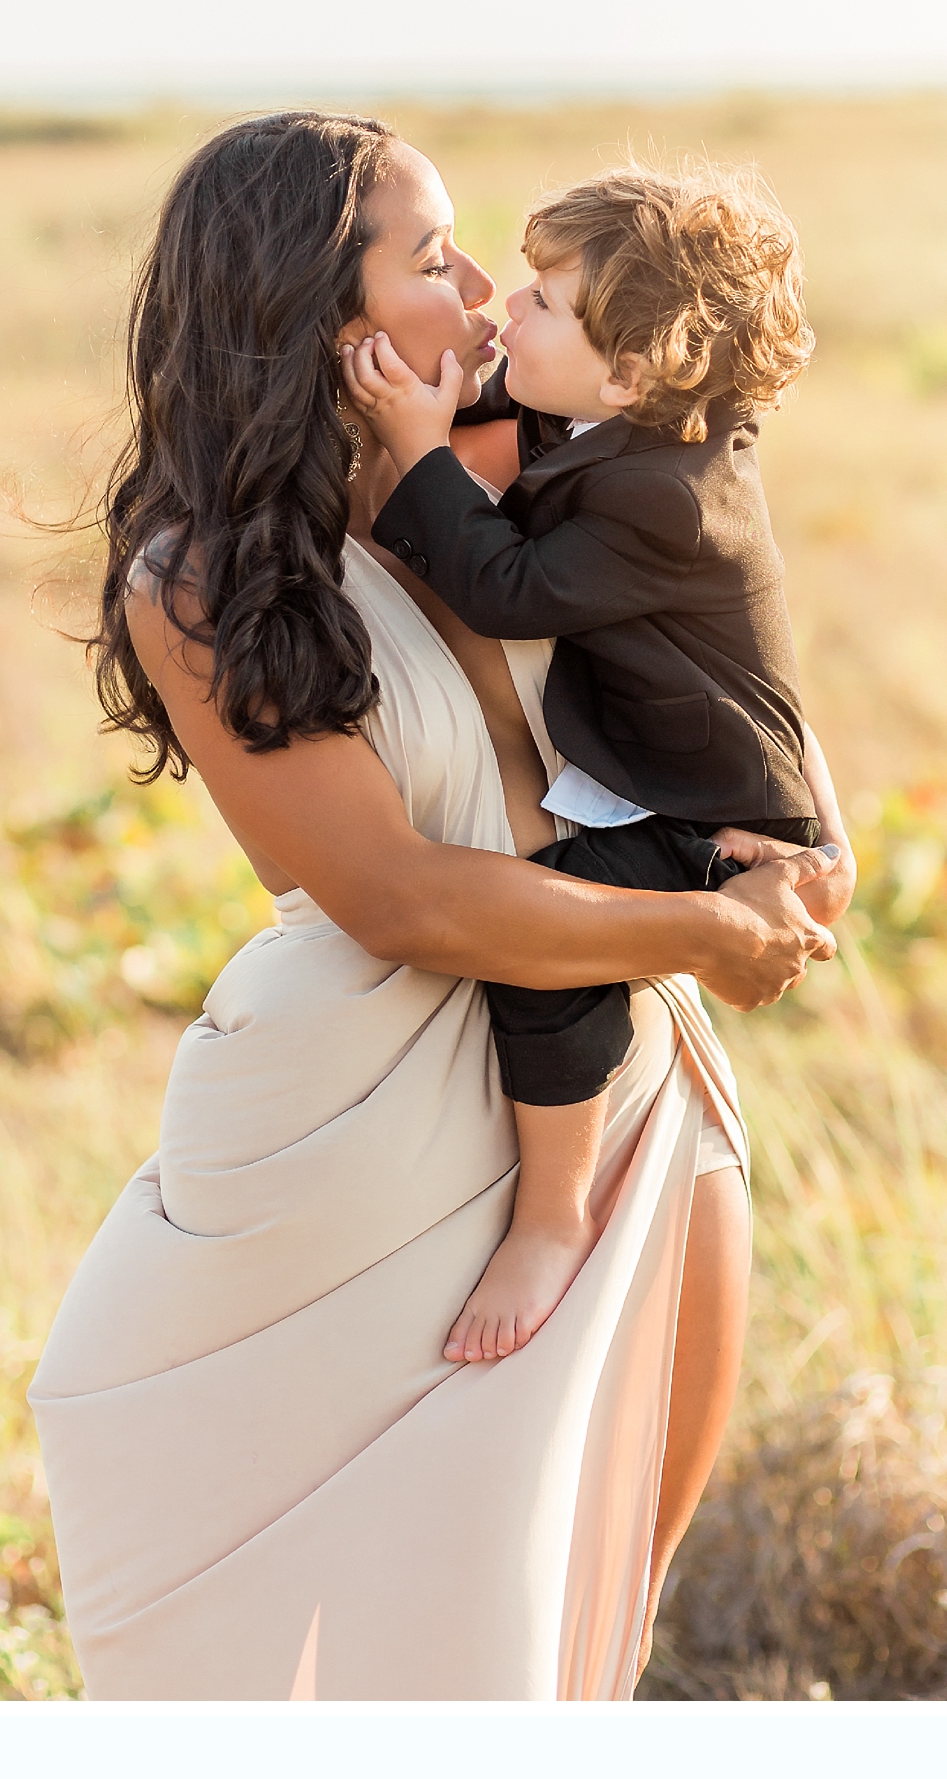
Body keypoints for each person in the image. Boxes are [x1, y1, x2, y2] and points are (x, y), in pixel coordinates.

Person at [27, 110, 853, 1700]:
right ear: (323, 319)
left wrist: (808, 859)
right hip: (353, 1122)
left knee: (578, 1624)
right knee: (269, 1643)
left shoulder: (556, 447)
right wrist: (701, 932)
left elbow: (741, 674)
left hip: (612, 1074)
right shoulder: (202, 577)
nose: (480, 287)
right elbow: (399, 898)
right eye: (430, 255)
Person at [343, 163, 837, 1372]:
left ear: (632, 374)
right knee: (555, 911)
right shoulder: (622, 424)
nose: (507, 307)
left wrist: (418, 451)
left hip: (706, 810)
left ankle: (554, 1210)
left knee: (553, 948)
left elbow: (504, 589)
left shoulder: (668, 496)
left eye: (547, 303)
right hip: (675, 769)